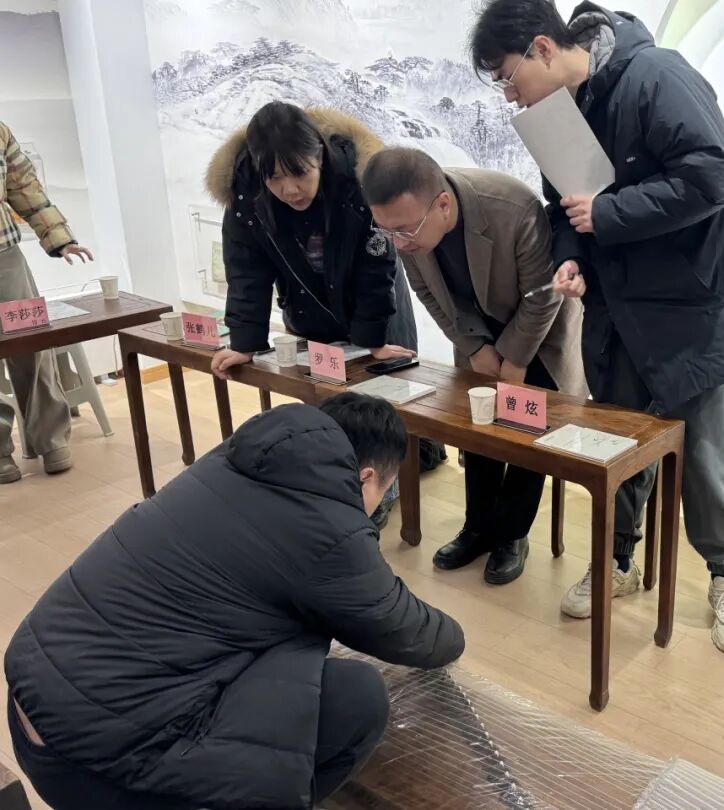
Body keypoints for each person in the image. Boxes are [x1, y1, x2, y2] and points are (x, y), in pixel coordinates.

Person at [469, 1, 724, 653]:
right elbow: (562, 209)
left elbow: (711, 176)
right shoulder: (555, 117)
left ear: (543, 48)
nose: (510, 95)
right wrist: (572, 256)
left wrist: (607, 214)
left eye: (508, 77)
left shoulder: (657, 76)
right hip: (619, 312)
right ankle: (617, 560)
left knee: (705, 459)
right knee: (617, 444)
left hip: (696, 310)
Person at [5, 393, 465, 810]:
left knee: (286, 635)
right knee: (358, 697)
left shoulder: (231, 461)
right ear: (365, 478)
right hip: (91, 766)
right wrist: (457, 638)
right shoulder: (327, 526)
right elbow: (406, 630)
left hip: (32, 701)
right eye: (384, 491)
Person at [205, 101, 445, 525]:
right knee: (331, 400)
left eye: (300, 173)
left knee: (384, 400)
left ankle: (388, 484)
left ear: (319, 154)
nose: (290, 189)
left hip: (376, 302)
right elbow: (246, 271)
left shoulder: (357, 180)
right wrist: (244, 341)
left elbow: (376, 264)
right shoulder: (245, 197)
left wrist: (372, 339)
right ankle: (347, 481)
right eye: (275, 178)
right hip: (309, 306)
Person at [362, 148, 587, 585]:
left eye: (405, 231)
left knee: (526, 434)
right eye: (387, 231)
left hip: (539, 336)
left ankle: (512, 534)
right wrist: (475, 348)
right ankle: (478, 527)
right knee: (478, 428)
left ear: (443, 205)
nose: (399, 243)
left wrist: (516, 359)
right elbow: (429, 295)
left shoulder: (512, 207)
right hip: (476, 334)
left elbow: (543, 296)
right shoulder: (405, 226)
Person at [1, 121, 94, 484]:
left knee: (33, 343)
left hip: (6, 256)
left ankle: (52, 440)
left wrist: (59, 238)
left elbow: (24, 185)